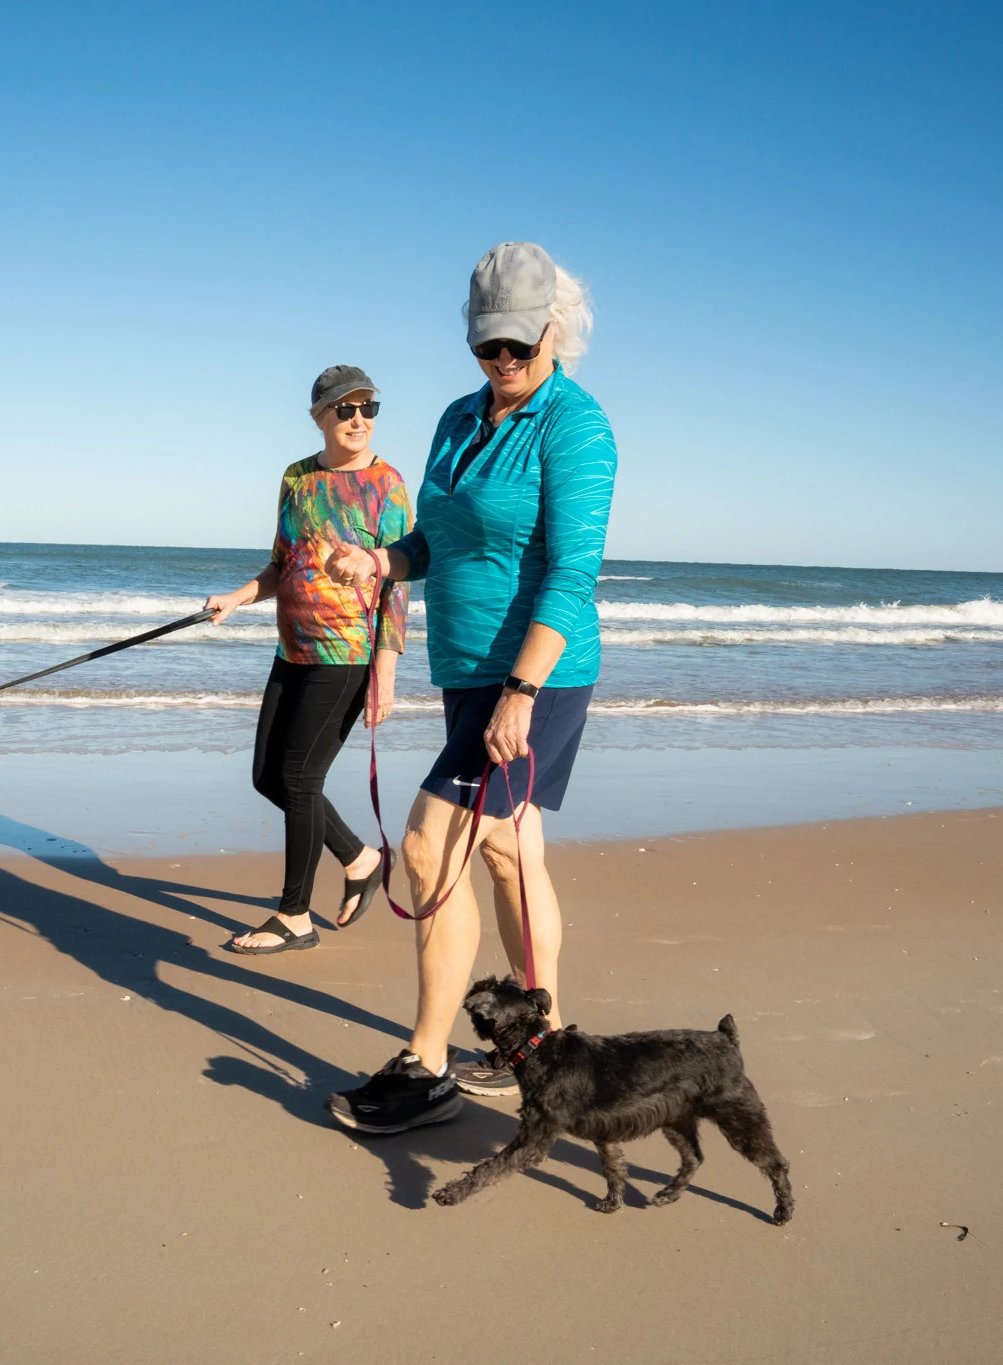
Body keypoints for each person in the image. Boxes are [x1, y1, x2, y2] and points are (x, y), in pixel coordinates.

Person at [321, 243, 617, 1133]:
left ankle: (428, 1063)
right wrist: (381, 559)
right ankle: (544, 1044)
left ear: (553, 332)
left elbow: (573, 572)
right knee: (506, 846)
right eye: (488, 347)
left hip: (539, 673)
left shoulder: (577, 426)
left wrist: (522, 691)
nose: (503, 364)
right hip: (467, 669)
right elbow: (434, 540)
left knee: (430, 842)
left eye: (519, 348)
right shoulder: (459, 417)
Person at [206, 365, 412, 955]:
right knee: (268, 776)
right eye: (344, 409)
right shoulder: (296, 478)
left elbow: (397, 585)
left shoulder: (387, 484)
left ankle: (294, 916)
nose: (357, 419)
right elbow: (284, 563)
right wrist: (238, 597)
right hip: (291, 647)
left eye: (368, 408)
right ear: (319, 415)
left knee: (299, 778)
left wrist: (387, 672)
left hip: (346, 653)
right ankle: (360, 857)